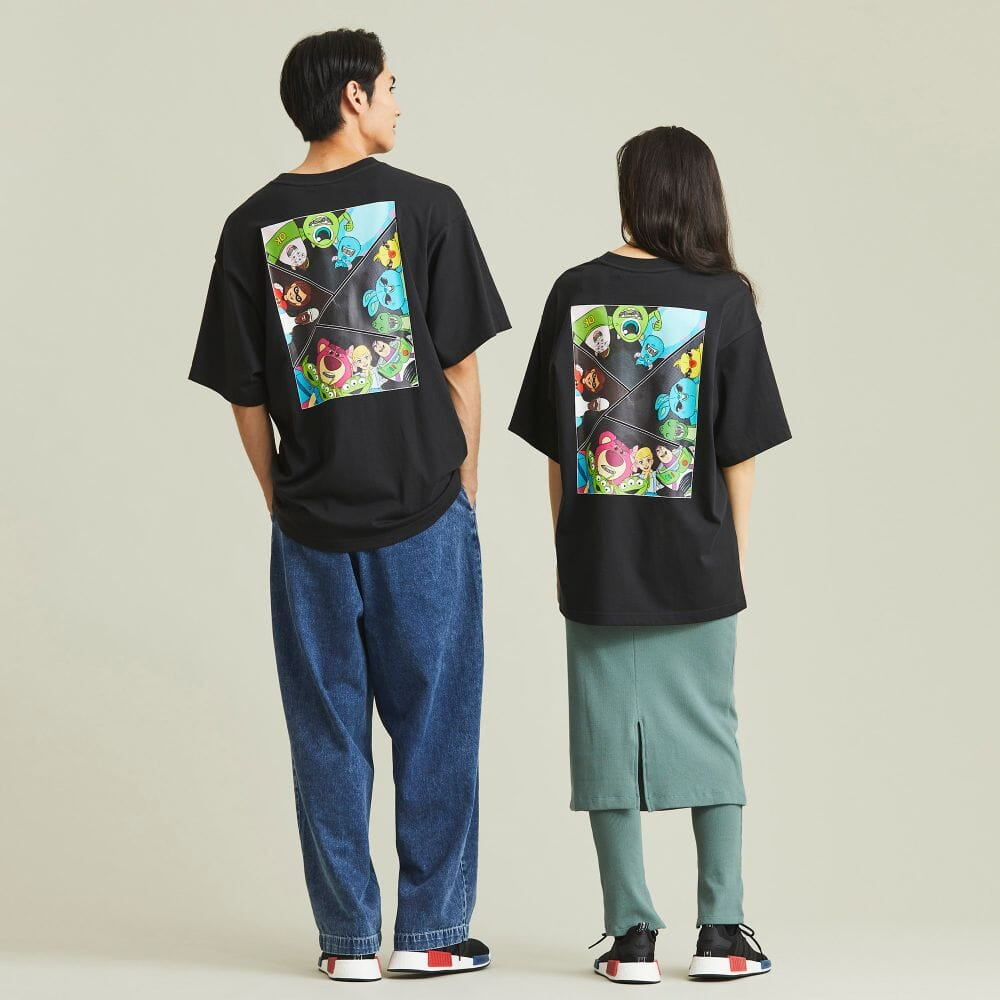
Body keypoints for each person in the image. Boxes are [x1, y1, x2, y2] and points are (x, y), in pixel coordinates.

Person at [188, 29, 509, 983]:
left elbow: (245, 396)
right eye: (392, 87)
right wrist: (464, 487)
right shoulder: (429, 205)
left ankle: (347, 945)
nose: (401, 104)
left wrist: (278, 494)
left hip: (311, 527)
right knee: (438, 726)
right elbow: (461, 367)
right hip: (425, 511)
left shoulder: (249, 224)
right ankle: (432, 933)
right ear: (354, 97)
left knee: (325, 734)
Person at [508, 125, 792, 985]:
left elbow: (560, 451)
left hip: (597, 556)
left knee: (603, 739)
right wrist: (734, 557)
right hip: (698, 557)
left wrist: (565, 547)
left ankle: (631, 937)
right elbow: (741, 455)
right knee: (711, 733)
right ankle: (723, 933)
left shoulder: (575, 291)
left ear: (635, 190)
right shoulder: (725, 298)